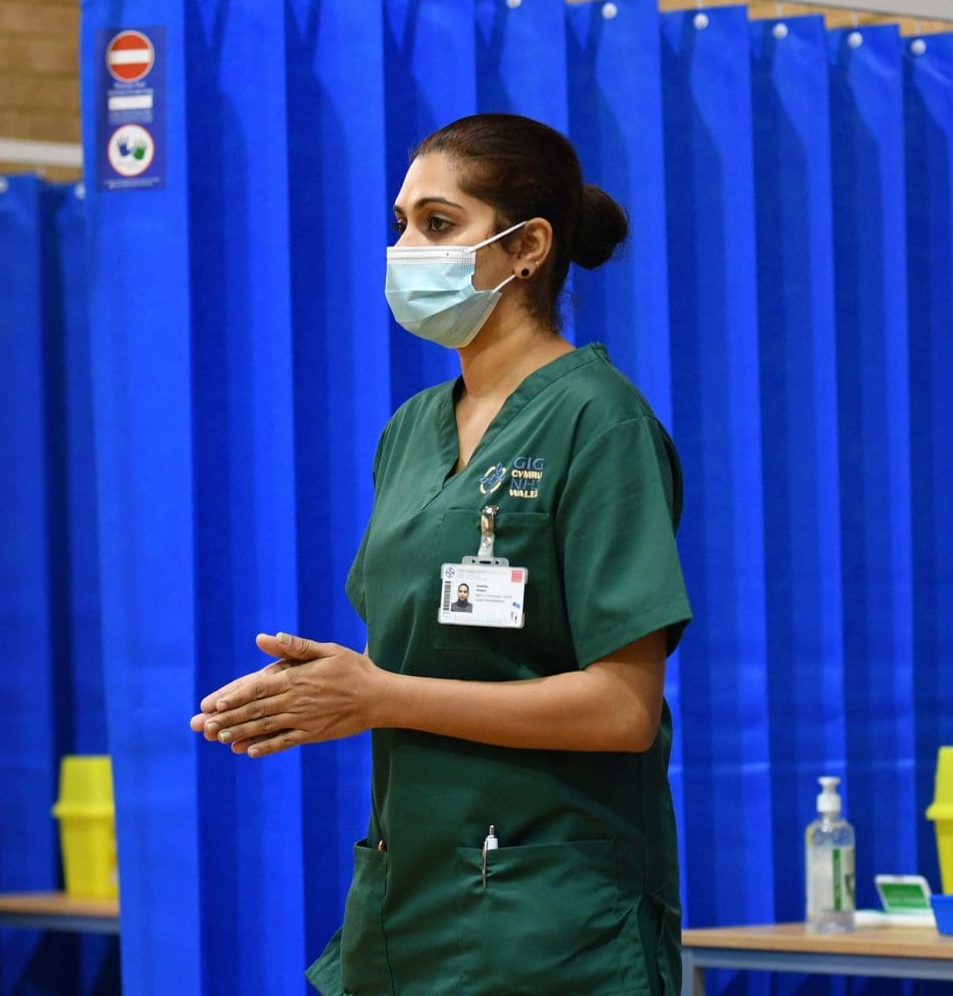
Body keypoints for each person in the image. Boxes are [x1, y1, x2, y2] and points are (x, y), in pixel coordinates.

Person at [189, 113, 691, 995]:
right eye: (400, 224)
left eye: (439, 223)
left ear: (527, 246)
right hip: (406, 903)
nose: (406, 248)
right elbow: (432, 661)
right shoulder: (412, 431)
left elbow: (622, 709)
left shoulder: (597, 420)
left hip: (550, 921)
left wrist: (379, 694)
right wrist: (322, 688)